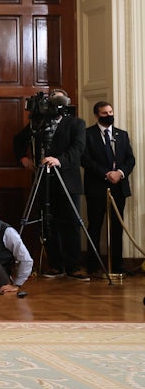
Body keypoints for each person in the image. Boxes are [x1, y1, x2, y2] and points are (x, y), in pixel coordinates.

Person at [13, 88, 88, 281]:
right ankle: (55, 265)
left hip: (68, 181)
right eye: (52, 97)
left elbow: (78, 148)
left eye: (59, 97)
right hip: (43, 181)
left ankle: (73, 265)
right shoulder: (37, 123)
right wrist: (23, 157)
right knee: (48, 223)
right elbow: (18, 140)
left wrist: (59, 160)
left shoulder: (76, 123)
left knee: (71, 223)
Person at [81, 100, 135, 275]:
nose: (109, 115)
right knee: (95, 226)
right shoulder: (87, 134)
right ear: (96, 115)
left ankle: (118, 266)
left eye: (111, 112)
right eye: (105, 113)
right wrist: (106, 174)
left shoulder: (122, 135)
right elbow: (85, 160)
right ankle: (93, 266)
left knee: (117, 228)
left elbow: (130, 159)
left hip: (119, 187)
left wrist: (119, 172)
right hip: (96, 188)